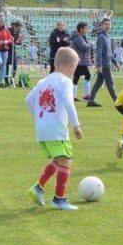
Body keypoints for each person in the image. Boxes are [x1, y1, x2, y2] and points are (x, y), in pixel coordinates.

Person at [26, 46, 84, 210]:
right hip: (56, 129)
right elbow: (68, 102)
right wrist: (76, 125)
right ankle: (59, 199)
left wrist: (40, 117)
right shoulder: (65, 81)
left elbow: (28, 100)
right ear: (71, 67)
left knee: (59, 160)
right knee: (66, 161)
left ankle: (38, 188)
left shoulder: (43, 81)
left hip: (42, 129)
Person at [87, 18, 118, 106]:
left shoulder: (107, 36)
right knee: (110, 83)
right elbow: (99, 52)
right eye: (106, 24)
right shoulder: (101, 37)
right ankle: (117, 101)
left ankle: (91, 101)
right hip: (104, 64)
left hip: (106, 63)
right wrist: (99, 65)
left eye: (109, 24)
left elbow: (109, 52)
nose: (108, 26)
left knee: (99, 82)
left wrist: (114, 61)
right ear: (102, 25)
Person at [69, 22, 92, 100]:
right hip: (80, 61)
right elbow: (83, 47)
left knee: (76, 77)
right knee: (88, 75)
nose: (86, 30)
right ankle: (86, 95)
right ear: (81, 29)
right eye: (85, 28)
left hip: (79, 60)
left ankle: (73, 96)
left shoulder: (79, 37)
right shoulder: (78, 37)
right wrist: (90, 44)